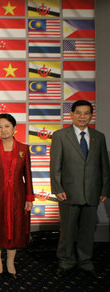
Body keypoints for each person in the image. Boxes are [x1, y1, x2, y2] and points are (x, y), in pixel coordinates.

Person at [50, 100, 108, 280]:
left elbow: (104, 166)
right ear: (71, 115)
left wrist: (104, 189)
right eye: (79, 113)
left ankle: (85, 261)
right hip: (68, 192)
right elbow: (55, 165)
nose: (83, 116)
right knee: (67, 231)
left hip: (92, 192)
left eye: (86, 113)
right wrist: (57, 188)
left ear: (91, 115)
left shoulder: (99, 137)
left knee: (87, 230)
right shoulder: (60, 136)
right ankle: (65, 261)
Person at [0, 113, 34, 278]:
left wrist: (29, 197)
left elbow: (28, 175)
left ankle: (10, 261)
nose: (3, 130)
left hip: (18, 195)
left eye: (7, 126)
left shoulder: (24, 149)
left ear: (15, 128)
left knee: (16, 228)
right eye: (0, 127)